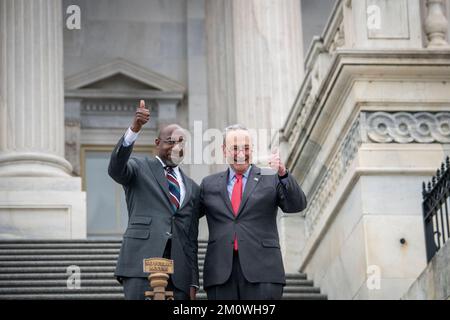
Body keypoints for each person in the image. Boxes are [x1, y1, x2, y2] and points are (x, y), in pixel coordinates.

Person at [198, 124, 307, 300]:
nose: (241, 154)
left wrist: (283, 174)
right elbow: (186, 216)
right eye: (235, 148)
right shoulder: (209, 184)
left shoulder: (271, 177)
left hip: (264, 272)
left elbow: (297, 205)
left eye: (246, 148)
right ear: (224, 150)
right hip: (221, 275)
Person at [108, 100, 199, 300]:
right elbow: (115, 169)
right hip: (141, 264)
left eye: (181, 142)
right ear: (157, 143)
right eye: (171, 141)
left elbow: (191, 238)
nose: (176, 147)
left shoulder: (192, 187)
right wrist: (134, 129)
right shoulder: (139, 167)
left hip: (180, 275)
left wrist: (193, 281)